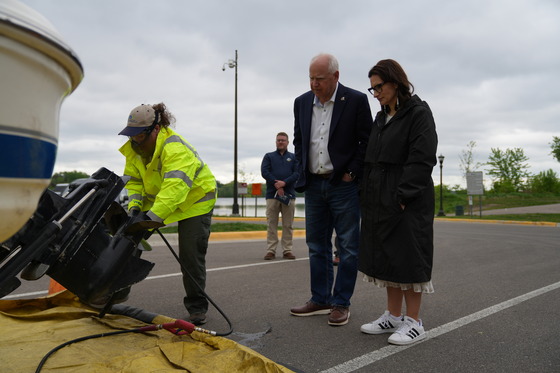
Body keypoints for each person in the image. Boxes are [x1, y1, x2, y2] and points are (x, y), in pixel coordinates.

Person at [358, 59, 438, 345]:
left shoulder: (418, 113)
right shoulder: (381, 118)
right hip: (379, 197)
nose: (376, 93)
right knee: (387, 255)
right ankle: (393, 315)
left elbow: (422, 158)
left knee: (408, 256)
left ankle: (414, 321)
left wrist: (403, 196)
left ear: (396, 82)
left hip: (407, 198)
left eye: (379, 87)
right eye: (372, 89)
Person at [290, 53, 374, 326]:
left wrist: (352, 173)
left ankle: (340, 303)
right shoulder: (301, 102)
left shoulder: (356, 100)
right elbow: (299, 141)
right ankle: (320, 298)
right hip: (314, 185)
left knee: (348, 247)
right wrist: (302, 169)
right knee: (316, 245)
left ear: (336, 76)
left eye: (320, 79)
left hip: (343, 186)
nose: (314, 84)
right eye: (311, 78)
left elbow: (366, 142)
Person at [118, 103, 217, 326]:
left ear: (155, 129)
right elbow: (133, 181)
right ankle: (114, 297)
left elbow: (175, 187)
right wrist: (135, 208)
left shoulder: (175, 148)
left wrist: (150, 217)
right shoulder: (134, 149)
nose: (134, 140)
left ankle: (197, 307)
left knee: (190, 255)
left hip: (195, 201)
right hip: (162, 199)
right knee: (126, 242)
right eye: (131, 135)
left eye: (139, 135)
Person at [261, 132, 299, 260]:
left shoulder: (294, 157)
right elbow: (265, 172)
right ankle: (271, 250)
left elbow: (297, 173)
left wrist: (285, 183)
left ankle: (287, 250)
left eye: (283, 140)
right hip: (272, 195)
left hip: (289, 196)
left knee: (288, 225)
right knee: (271, 224)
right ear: (275, 142)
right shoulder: (269, 156)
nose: (280, 142)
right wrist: (276, 184)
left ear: (288, 142)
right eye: (278, 140)